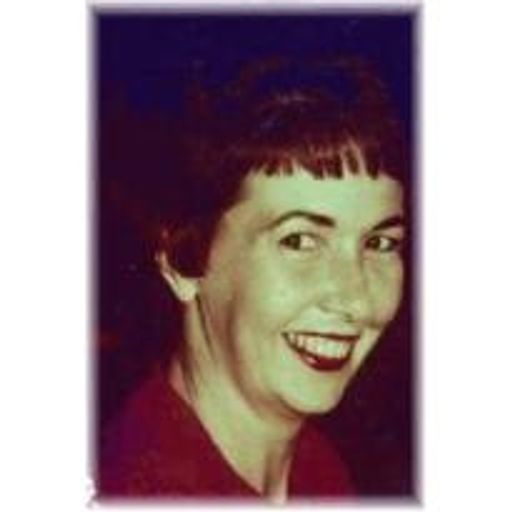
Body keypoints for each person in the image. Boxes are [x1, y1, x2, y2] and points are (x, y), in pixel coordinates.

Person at [97, 55, 408, 503]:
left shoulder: (317, 467)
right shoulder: (136, 488)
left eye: (379, 243)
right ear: (182, 261)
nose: (356, 300)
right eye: (299, 241)